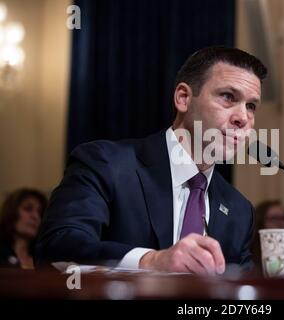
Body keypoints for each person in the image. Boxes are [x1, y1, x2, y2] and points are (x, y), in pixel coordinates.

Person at [35, 46, 267, 275]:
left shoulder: (239, 209)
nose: (243, 118)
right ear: (184, 98)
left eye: (251, 106)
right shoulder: (105, 164)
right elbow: (57, 247)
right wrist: (151, 261)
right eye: (228, 97)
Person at [0, 188, 47, 269]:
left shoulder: (44, 259)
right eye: (28, 209)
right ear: (11, 211)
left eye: (40, 212)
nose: (35, 216)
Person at [251, 200, 284, 270]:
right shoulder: (250, 251)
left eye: (283, 218)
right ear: (261, 222)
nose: (280, 223)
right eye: (274, 219)